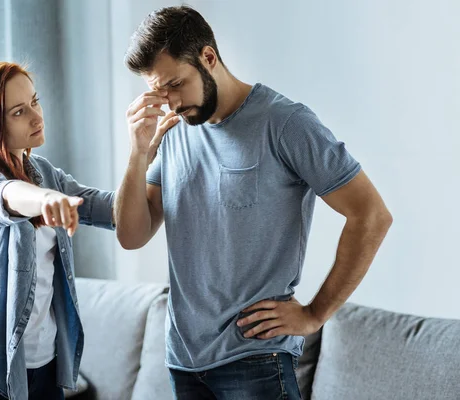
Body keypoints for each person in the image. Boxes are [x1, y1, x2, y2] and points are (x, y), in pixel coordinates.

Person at [115, 6, 393, 399]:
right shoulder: (174, 130)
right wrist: (137, 153)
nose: (172, 103)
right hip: (184, 360)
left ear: (208, 57)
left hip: (255, 358)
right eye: (160, 92)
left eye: (176, 83)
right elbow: (132, 235)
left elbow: (372, 215)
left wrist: (314, 315)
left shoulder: (285, 123)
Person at [0, 61, 120, 399]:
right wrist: (46, 199)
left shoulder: (43, 171)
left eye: (35, 102)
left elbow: (112, 209)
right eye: (19, 112)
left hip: (45, 367)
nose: (37, 117)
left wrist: (143, 151)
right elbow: (6, 195)